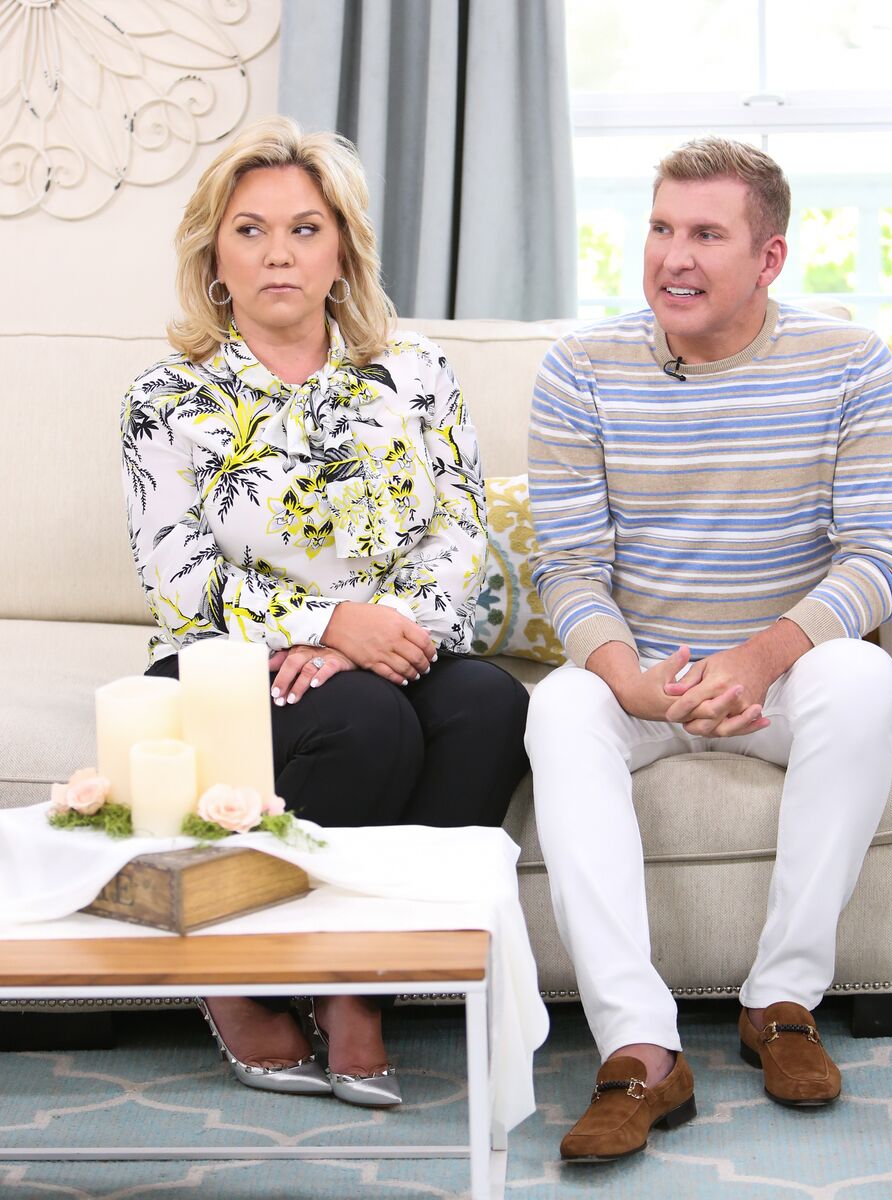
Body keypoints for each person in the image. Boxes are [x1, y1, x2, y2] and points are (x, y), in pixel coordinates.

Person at [120, 116, 529, 1107]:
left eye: (305, 228)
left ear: (342, 244)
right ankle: (240, 977)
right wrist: (323, 630)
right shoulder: (167, 397)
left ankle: (358, 987)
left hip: (393, 640)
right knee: (365, 722)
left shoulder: (415, 372)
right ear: (213, 253)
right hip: (223, 657)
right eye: (250, 229)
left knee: (488, 708)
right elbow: (181, 579)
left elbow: (456, 528)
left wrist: (382, 631)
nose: (278, 254)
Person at [525, 136, 892, 1161]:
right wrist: (634, 685)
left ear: (771, 259)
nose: (674, 257)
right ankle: (641, 1049)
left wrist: (760, 657)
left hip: (774, 680)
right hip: (644, 676)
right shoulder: (582, 368)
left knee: (864, 675)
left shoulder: (849, 361)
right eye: (661, 228)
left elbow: (883, 556)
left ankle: (781, 1002)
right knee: (558, 706)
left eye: (706, 233)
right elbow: (566, 568)